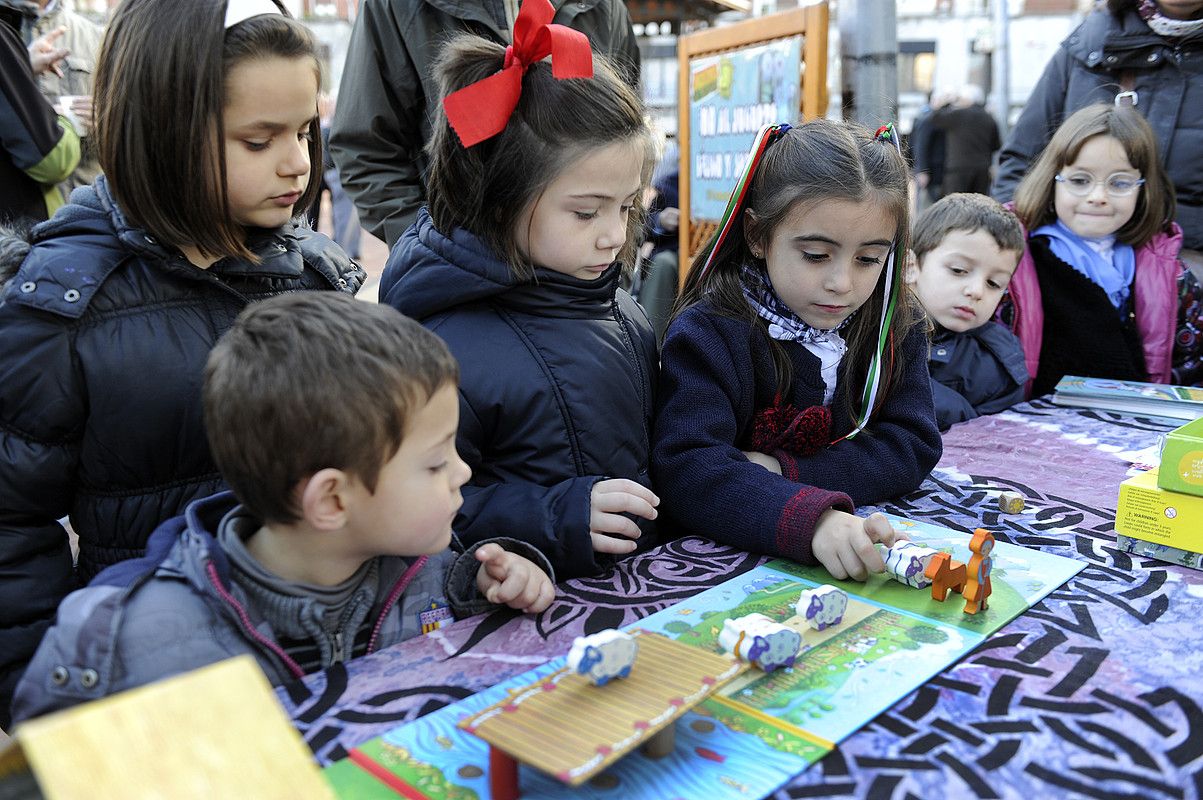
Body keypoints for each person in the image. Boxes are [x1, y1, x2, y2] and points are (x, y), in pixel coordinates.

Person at [0, 0, 366, 727]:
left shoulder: (316, 275)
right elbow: (11, 527)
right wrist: (42, 696)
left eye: (302, 131)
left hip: (322, 663)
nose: (297, 163)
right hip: (153, 683)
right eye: (258, 141)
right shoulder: (64, 306)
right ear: (163, 128)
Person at [11, 293, 556, 721]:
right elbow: (54, 766)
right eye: (436, 463)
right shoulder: (125, 644)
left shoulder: (429, 569)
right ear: (332, 500)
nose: (463, 472)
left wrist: (501, 590)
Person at [379, 0, 659, 580]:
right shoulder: (444, 348)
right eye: (586, 213)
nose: (614, 236)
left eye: (628, 207)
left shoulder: (623, 312)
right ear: (501, 200)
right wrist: (555, 515)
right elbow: (416, 511)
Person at [652, 120, 943, 580]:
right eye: (815, 255)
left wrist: (782, 468)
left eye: (868, 259)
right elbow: (688, 467)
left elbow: (911, 443)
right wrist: (811, 521)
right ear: (757, 235)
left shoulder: (894, 325)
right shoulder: (710, 333)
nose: (842, 283)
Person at [330, 0, 641, 247]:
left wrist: (609, 259)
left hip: (580, 286)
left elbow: (630, 141)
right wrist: (430, 247)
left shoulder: (605, 7)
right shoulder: (396, 8)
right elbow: (366, 149)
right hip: (453, 283)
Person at [1007, 103, 1202, 397]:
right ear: (1052, 180)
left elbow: (1192, 368)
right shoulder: (1011, 260)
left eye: (1120, 183)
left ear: (1143, 188)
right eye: (1080, 180)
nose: (1098, 196)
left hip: (1134, 431)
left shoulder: (1171, 274)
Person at [992, 0, 1203, 267]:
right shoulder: (1091, 39)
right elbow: (1022, 160)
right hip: (1065, 260)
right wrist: (1016, 248)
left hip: (1187, 267)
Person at [904, 193, 1027, 430]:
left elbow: (995, 445)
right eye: (959, 270)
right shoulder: (869, 331)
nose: (976, 291)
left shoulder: (1000, 366)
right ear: (911, 267)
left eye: (994, 283)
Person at [0, 0, 79, 224]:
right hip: (18, 235)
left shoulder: (88, 31)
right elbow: (52, 159)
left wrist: (20, 64)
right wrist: (65, 117)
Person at [32, 0, 104, 193]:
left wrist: (107, 121)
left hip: (81, 207)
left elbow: (133, 127)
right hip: (14, 213)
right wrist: (19, 69)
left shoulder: (96, 37)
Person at [929, 86, 1000, 196]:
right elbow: (996, 145)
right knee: (978, 205)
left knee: (956, 205)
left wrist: (947, 101)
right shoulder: (989, 118)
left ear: (967, 100)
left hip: (958, 169)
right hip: (982, 170)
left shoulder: (957, 115)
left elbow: (935, 118)